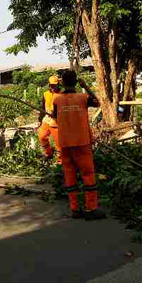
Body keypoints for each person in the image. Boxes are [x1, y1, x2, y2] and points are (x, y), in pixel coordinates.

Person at [53, 70, 106, 220]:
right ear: (76, 82)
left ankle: (75, 209)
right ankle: (91, 208)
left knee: (69, 175)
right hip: (82, 142)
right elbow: (98, 102)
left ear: (62, 83)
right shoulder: (83, 98)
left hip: (65, 143)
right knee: (88, 175)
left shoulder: (57, 100)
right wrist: (86, 86)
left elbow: (56, 117)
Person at [37, 75, 62, 168]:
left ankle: (60, 161)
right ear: (49, 85)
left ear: (58, 84)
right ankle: (49, 154)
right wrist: (40, 119)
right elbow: (42, 108)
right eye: (51, 85)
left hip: (56, 122)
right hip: (47, 120)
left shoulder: (61, 94)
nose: (53, 87)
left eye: (55, 85)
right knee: (41, 137)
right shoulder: (45, 94)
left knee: (59, 144)